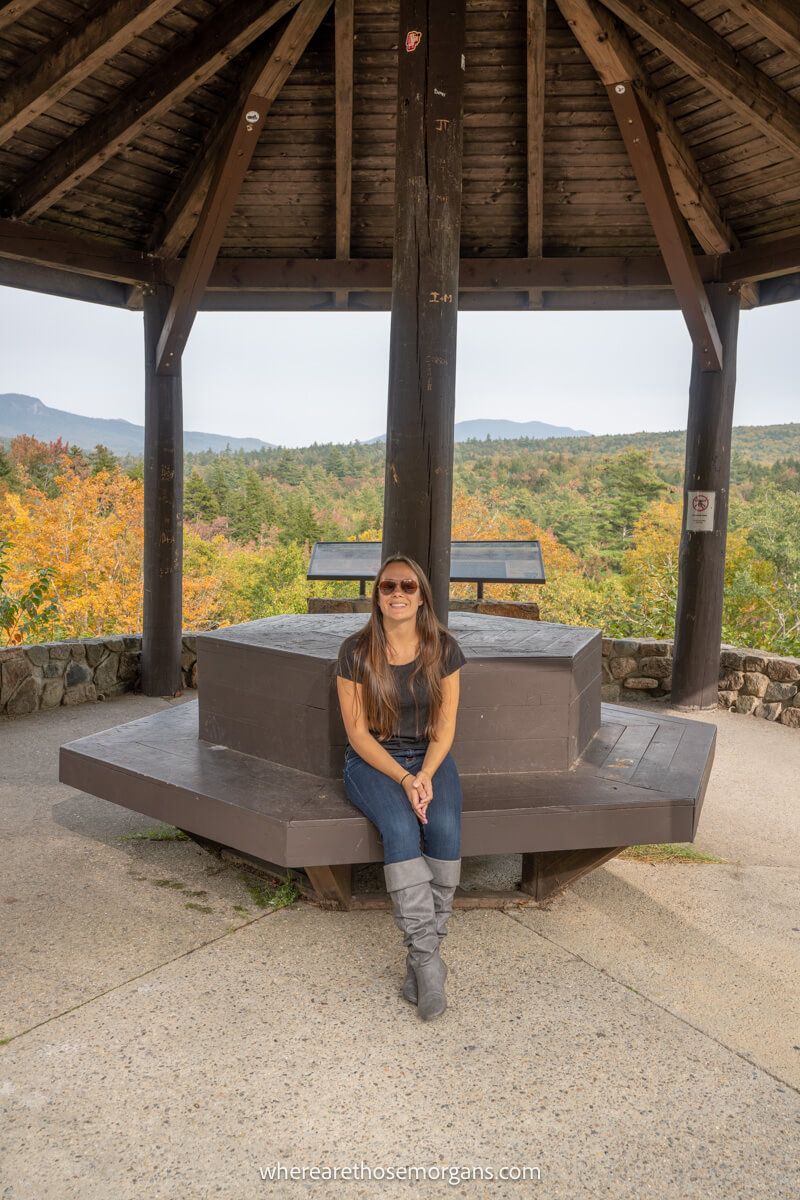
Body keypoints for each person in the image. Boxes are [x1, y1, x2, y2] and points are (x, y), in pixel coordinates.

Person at [335, 554, 467, 1022]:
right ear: (377, 595)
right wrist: (405, 778)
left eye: (407, 586)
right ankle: (430, 964)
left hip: (429, 757)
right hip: (374, 762)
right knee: (399, 828)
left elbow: (446, 728)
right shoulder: (355, 651)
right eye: (388, 586)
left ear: (421, 595)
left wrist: (426, 774)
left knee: (446, 829)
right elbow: (357, 735)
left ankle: (425, 958)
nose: (397, 594)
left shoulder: (444, 649)